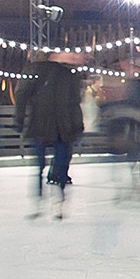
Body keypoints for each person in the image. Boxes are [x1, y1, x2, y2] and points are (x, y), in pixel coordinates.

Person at [15, 51, 86, 217]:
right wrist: (77, 126)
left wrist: (19, 120)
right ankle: (57, 203)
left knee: (40, 166)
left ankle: (40, 203)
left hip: (41, 125)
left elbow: (21, 95)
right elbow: (75, 103)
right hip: (62, 126)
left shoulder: (34, 72)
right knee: (59, 166)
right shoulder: (68, 75)